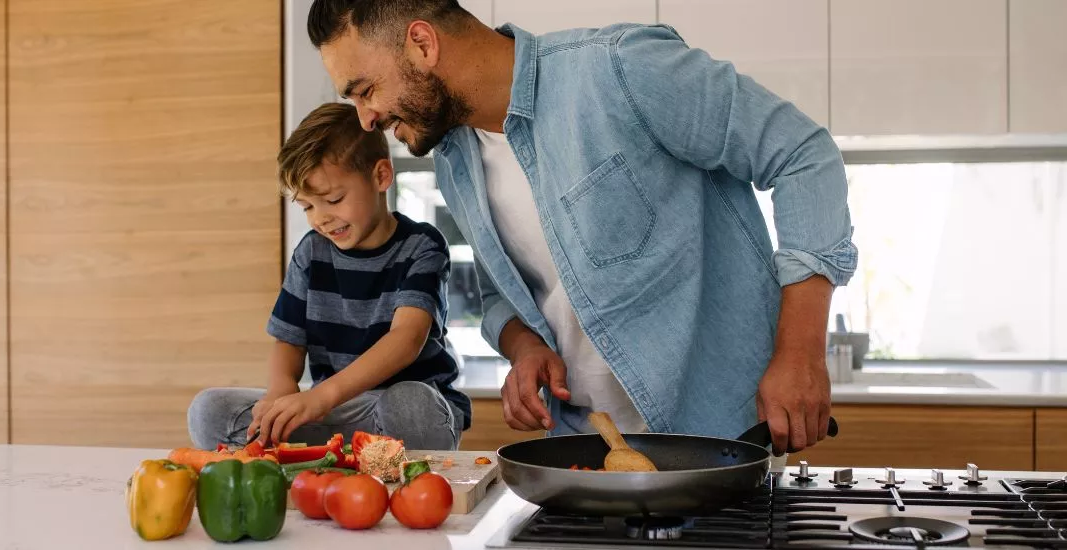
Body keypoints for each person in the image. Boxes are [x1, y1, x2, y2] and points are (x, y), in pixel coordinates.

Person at [305, 0, 857, 453]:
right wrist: (524, 348)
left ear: (423, 45)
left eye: (365, 90)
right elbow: (501, 293)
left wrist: (800, 353)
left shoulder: (619, 69)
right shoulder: (455, 162)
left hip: (719, 439)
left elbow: (803, 155)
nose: (365, 119)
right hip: (585, 447)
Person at [187, 102, 471, 451]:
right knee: (208, 410)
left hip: (397, 410)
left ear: (381, 176)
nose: (319, 218)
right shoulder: (311, 251)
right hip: (335, 412)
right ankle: (329, 457)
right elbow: (289, 342)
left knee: (410, 405)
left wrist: (321, 397)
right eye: (307, 206)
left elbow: (406, 339)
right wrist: (280, 393)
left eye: (333, 200)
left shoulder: (422, 245)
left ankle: (355, 458)